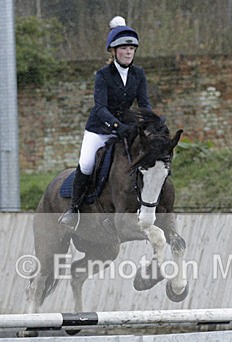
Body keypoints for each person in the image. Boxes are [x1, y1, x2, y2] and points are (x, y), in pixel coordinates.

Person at [59, 16, 153, 228]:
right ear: (113, 51)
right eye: (123, 48)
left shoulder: (139, 74)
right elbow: (100, 107)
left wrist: (150, 123)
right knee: (86, 163)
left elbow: (144, 103)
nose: (128, 52)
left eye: (131, 48)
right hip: (100, 129)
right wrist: (118, 127)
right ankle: (74, 209)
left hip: (127, 129)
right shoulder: (103, 75)